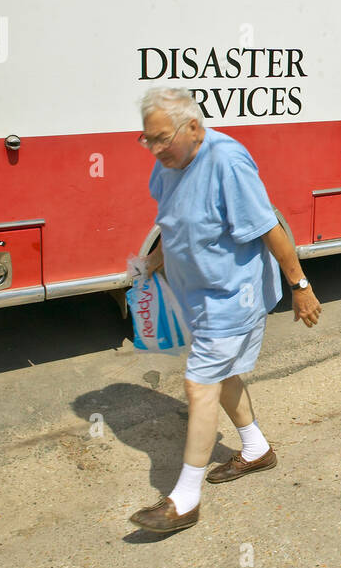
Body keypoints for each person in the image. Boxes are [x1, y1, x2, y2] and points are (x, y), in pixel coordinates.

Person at [129, 87, 322, 534]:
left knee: (200, 384)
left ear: (193, 128)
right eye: (147, 139)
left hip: (232, 297)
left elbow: (268, 226)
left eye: (162, 139)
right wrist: (155, 261)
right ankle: (257, 450)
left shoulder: (227, 162)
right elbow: (172, 220)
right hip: (197, 296)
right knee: (224, 374)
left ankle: (185, 499)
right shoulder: (170, 165)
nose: (155, 150)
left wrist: (301, 286)